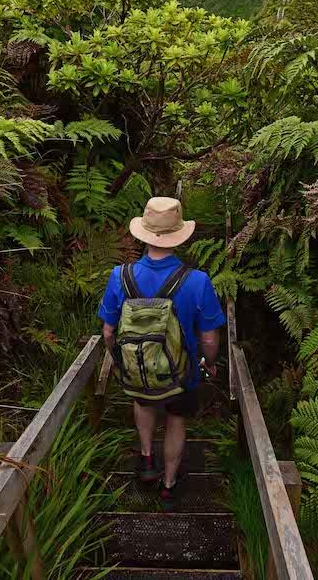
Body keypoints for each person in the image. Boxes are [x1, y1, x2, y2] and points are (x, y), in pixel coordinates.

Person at [98, 196, 226, 511]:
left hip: (138, 370)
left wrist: (121, 361)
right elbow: (209, 338)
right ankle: (168, 486)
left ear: (144, 233)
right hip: (182, 375)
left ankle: (146, 459)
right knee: (176, 420)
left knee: (143, 401)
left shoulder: (120, 276)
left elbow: (108, 331)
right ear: (179, 235)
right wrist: (210, 364)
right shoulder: (198, 281)